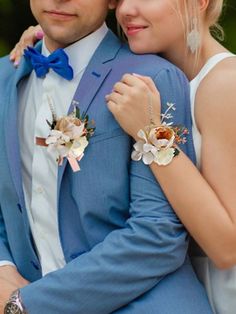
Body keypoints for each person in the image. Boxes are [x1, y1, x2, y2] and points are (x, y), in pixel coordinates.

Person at [10, 0, 236, 313]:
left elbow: (227, 246)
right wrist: (51, 26)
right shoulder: (153, 70)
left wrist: (150, 132)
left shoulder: (225, 83)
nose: (127, 9)